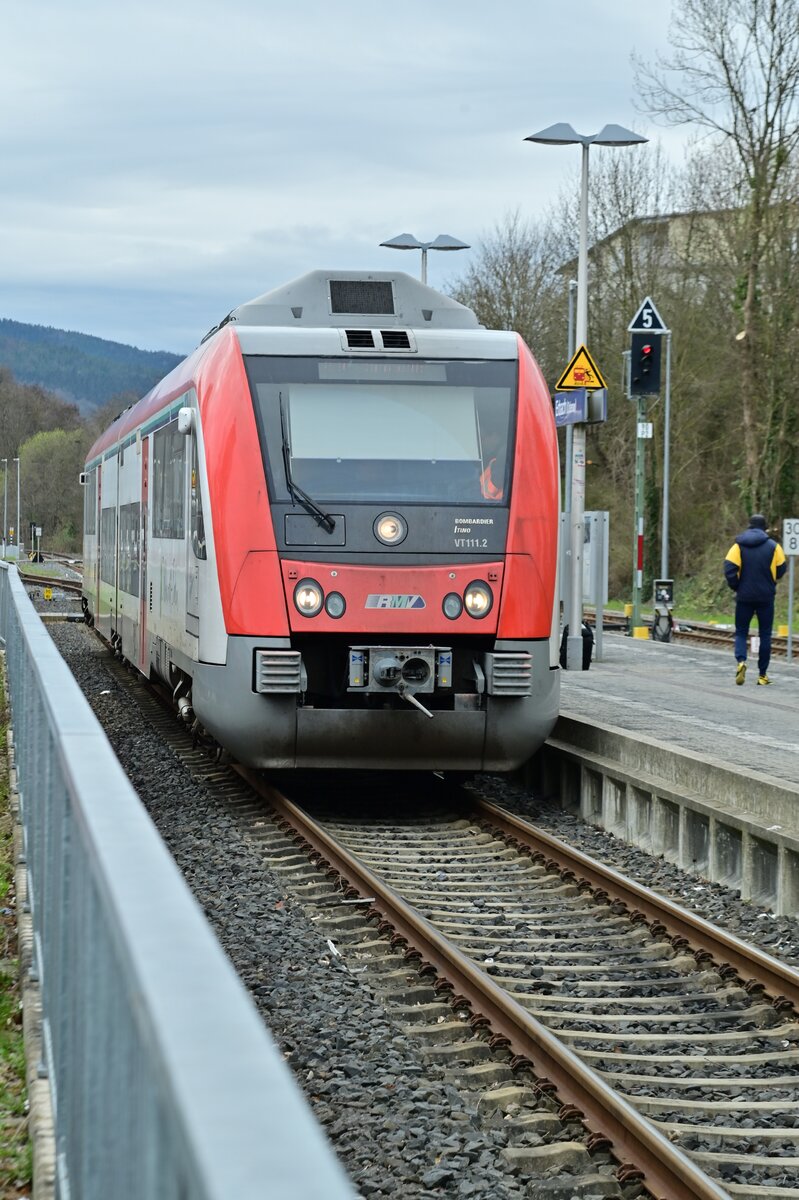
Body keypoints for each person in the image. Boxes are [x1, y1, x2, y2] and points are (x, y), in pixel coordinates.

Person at [724, 513, 787, 685]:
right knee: (765, 634)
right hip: (766, 597)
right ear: (765, 527)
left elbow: (729, 568)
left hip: (744, 596)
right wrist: (770, 580)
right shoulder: (774, 547)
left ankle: (741, 661)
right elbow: (781, 568)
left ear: (749, 526)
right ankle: (762, 675)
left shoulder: (738, 546)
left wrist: (737, 586)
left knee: (741, 631)